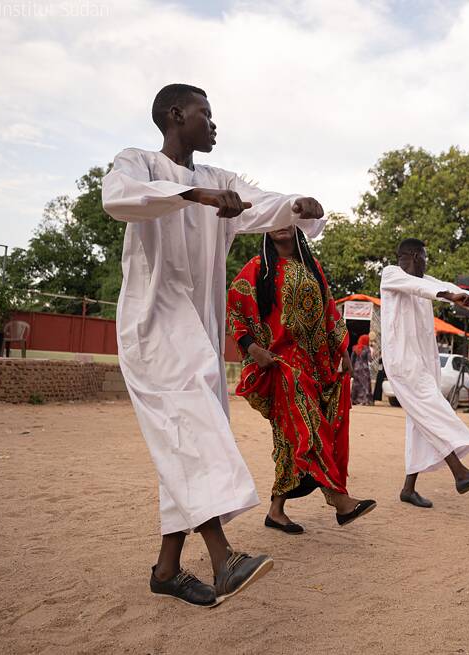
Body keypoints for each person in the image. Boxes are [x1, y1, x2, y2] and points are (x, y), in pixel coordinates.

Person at [102, 83, 324, 606]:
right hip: (153, 324)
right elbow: (117, 197)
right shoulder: (139, 163)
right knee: (191, 429)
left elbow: (262, 203)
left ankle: (166, 569)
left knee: (190, 435)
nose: (213, 122)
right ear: (176, 115)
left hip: (197, 328)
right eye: (205, 112)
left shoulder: (218, 180)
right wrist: (192, 196)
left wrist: (295, 205)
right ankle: (223, 557)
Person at [227, 226, 377, 535]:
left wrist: (343, 350)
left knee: (292, 438)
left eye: (288, 219)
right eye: (275, 219)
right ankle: (340, 500)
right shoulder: (256, 268)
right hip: (282, 365)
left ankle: (276, 510)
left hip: (318, 364)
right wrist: (254, 350)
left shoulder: (313, 267)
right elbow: (235, 311)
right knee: (308, 427)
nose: (281, 225)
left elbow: (329, 311)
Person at [380, 238, 469, 508]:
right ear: (414, 255)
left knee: (421, 421)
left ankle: (409, 489)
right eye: (424, 256)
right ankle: (460, 473)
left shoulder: (429, 280)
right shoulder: (391, 274)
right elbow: (421, 287)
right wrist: (448, 296)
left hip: (425, 359)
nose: (426, 261)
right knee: (432, 408)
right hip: (403, 361)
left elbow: (446, 287)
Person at [351, 334, 374, 406]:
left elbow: (352, 360)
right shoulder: (367, 349)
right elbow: (370, 359)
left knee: (356, 385)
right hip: (364, 369)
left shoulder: (355, 348)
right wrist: (372, 352)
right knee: (365, 385)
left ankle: (354, 400)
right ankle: (366, 400)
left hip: (356, 369)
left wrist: (351, 369)